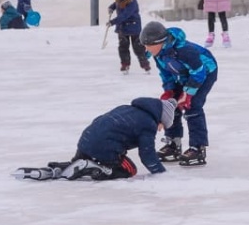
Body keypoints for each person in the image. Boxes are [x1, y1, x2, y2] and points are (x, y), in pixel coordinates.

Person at [13, 97, 178, 181]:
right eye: (163, 125)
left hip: (86, 141)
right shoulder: (148, 123)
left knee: (76, 164)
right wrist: (161, 174)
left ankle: (55, 171)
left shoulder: (127, 108)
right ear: (160, 118)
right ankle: (96, 168)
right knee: (130, 170)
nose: (160, 129)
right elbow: (147, 154)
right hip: (103, 148)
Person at [141, 20, 218, 167]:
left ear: (160, 42)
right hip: (185, 76)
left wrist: (188, 93)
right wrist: (169, 91)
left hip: (206, 72)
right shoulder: (159, 55)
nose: (146, 48)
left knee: (192, 106)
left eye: (149, 45)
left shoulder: (183, 50)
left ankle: (198, 148)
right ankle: (173, 144)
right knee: (170, 105)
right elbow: (166, 74)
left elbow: (198, 72)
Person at [108, 0, 151, 72]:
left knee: (137, 47)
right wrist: (112, 7)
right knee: (123, 46)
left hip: (133, 26)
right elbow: (117, 3)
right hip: (122, 27)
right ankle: (125, 64)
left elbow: (125, 15)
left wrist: (112, 22)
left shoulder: (132, 1)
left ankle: (145, 64)